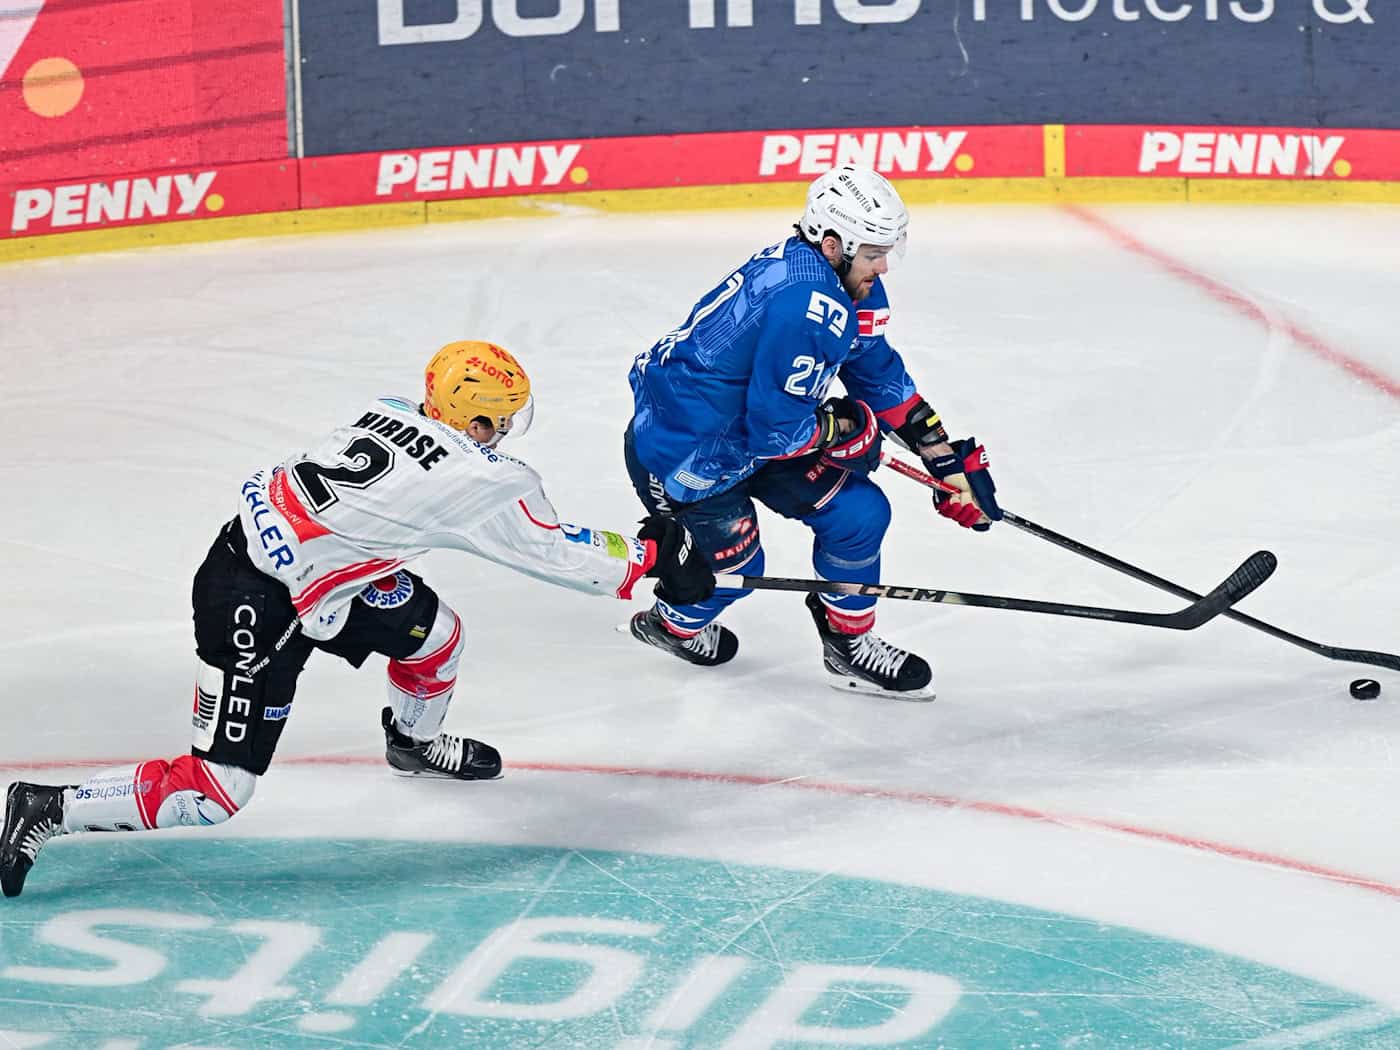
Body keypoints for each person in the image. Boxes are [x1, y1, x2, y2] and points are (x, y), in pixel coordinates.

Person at [1, 340, 713, 898]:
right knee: (217, 791)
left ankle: (411, 743)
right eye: (500, 418)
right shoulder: (482, 478)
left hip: (319, 579)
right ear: (474, 419)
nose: (505, 434)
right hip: (254, 603)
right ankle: (48, 808)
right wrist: (653, 553)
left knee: (438, 638)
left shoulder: (388, 409)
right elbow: (562, 557)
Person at [625, 165, 1001, 699]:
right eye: (874, 253)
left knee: (859, 513)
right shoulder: (805, 301)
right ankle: (672, 624)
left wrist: (942, 461)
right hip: (687, 451)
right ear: (832, 244)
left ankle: (847, 643)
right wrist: (843, 431)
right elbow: (777, 432)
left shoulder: (843, 281)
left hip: (752, 435)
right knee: (736, 569)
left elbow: (877, 374)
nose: (885, 267)